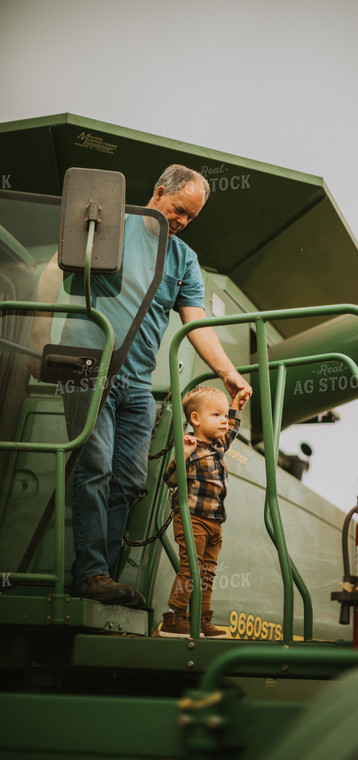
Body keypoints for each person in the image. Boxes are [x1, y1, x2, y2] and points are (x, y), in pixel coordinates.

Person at [28, 165, 252, 606]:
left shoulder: (184, 259)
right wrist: (39, 336)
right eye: (179, 209)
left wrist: (228, 371)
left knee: (129, 479)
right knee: (96, 467)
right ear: (159, 192)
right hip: (89, 367)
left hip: (138, 381)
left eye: (191, 217)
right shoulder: (110, 223)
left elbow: (197, 323)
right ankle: (91, 573)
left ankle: (102, 576)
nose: (182, 221)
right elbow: (52, 270)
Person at [159, 385, 249, 638]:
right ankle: (173, 617)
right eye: (216, 415)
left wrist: (235, 405)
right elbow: (171, 479)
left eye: (224, 416)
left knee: (208, 572)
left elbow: (231, 429)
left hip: (215, 523)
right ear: (195, 419)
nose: (224, 421)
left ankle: (200, 618)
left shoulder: (218, 445)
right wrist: (182, 455)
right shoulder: (189, 446)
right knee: (191, 569)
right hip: (193, 520)